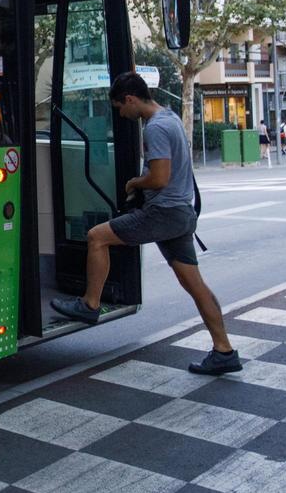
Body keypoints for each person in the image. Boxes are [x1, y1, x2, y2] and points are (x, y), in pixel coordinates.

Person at [51, 71, 241, 375]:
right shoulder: (171, 118)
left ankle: (89, 305)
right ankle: (224, 351)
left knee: (96, 237)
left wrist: (134, 183)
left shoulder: (155, 128)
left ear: (130, 99)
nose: (122, 114)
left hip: (162, 214)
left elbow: (160, 178)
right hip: (180, 213)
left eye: (120, 108)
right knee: (195, 285)